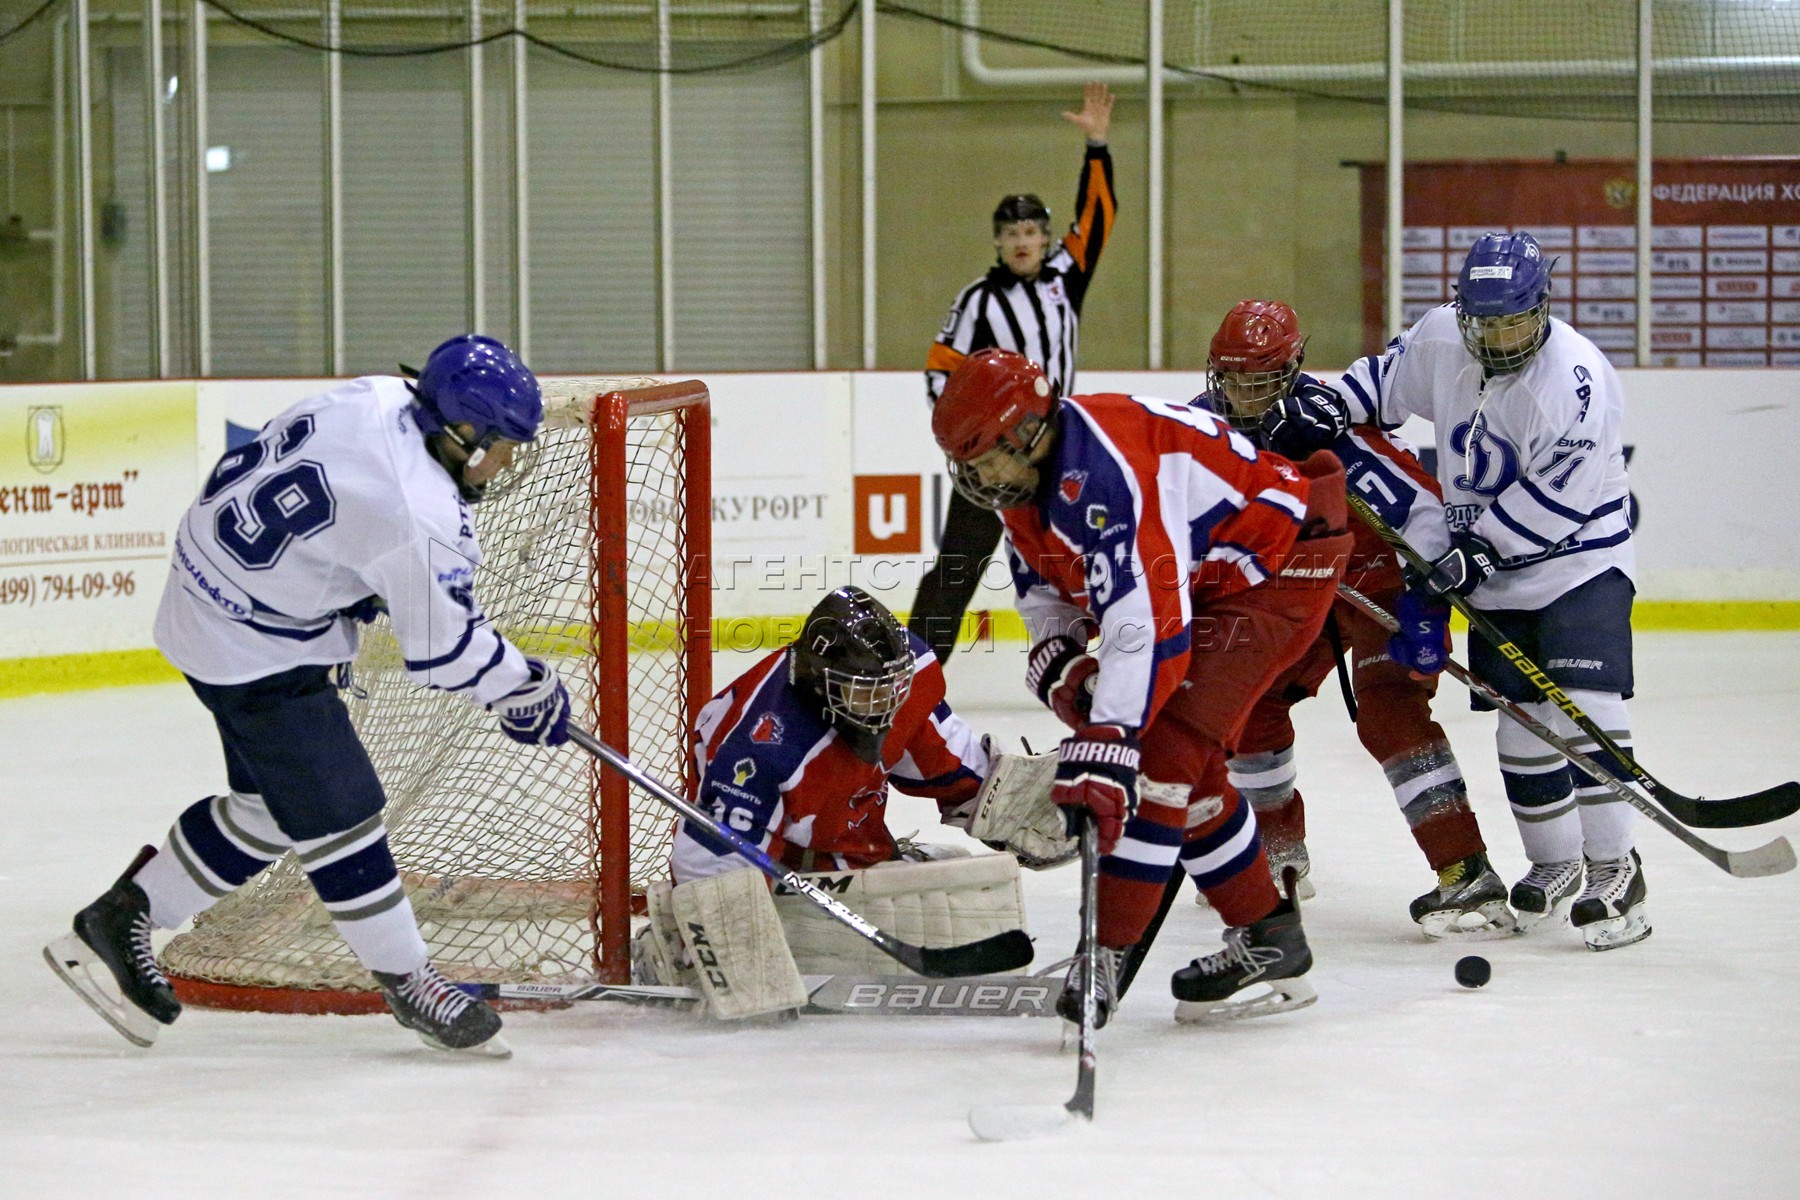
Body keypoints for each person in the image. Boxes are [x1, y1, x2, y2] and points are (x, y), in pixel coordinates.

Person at [43, 334, 574, 1053]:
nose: (506, 461)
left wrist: (347, 578)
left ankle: (122, 916)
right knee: (340, 812)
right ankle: (410, 981)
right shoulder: (420, 514)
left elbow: (328, 498)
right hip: (254, 649)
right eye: (502, 445)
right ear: (461, 431)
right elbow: (445, 650)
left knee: (273, 809)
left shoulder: (375, 395)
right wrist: (524, 689)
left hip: (206, 583)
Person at [931, 347, 1355, 1024]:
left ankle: (1105, 953)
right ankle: (1269, 936)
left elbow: (1146, 624)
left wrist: (1110, 739)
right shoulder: (1028, 482)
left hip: (1279, 562)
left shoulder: (1107, 472)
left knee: (1160, 756)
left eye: (987, 460)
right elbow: (1046, 590)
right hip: (1213, 574)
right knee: (1186, 767)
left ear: (1028, 431)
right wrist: (1064, 665)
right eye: (969, 466)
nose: (980, 479)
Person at [1321, 231, 1649, 951]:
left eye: (1514, 321)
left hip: (1579, 564)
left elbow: (1560, 501)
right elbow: (1379, 387)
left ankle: (1615, 869)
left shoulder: (1575, 381)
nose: (1499, 337)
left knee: (1585, 706)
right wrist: (1328, 403)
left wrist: (1479, 549)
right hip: (1493, 572)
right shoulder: (1443, 337)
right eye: (1485, 322)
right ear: (1462, 312)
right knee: (1520, 723)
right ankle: (1555, 864)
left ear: (1542, 308)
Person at [1192, 298, 1512, 939]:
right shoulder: (1199, 432)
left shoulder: (1329, 428)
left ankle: (1466, 871)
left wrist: (1425, 604)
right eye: (1231, 379)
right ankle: (1274, 852)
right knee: (1250, 705)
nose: (1243, 395)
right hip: (1293, 591)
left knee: (1390, 713)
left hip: (1377, 582)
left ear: (1290, 372)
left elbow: (1422, 512)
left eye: (1260, 380)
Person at [636, 586, 1072, 1019]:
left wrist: (1008, 799)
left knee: (965, 883)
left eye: (890, 690)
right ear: (819, 683)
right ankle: (674, 947)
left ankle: (858, 873)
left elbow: (936, 751)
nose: (883, 706)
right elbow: (713, 864)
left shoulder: (902, 677)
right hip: (786, 863)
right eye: (865, 694)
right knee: (944, 911)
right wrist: (732, 959)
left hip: (852, 831)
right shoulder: (762, 748)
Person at [909, 82, 1117, 666]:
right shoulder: (978, 299)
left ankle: (1113, 658)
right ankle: (914, 673)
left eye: (1031, 232)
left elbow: (1098, 217)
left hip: (1061, 443)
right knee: (958, 568)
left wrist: (1097, 147)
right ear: (998, 243)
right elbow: (940, 370)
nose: (1022, 242)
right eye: (1011, 234)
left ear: (1046, 239)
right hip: (993, 457)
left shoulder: (1065, 278)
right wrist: (974, 442)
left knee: (1087, 549)